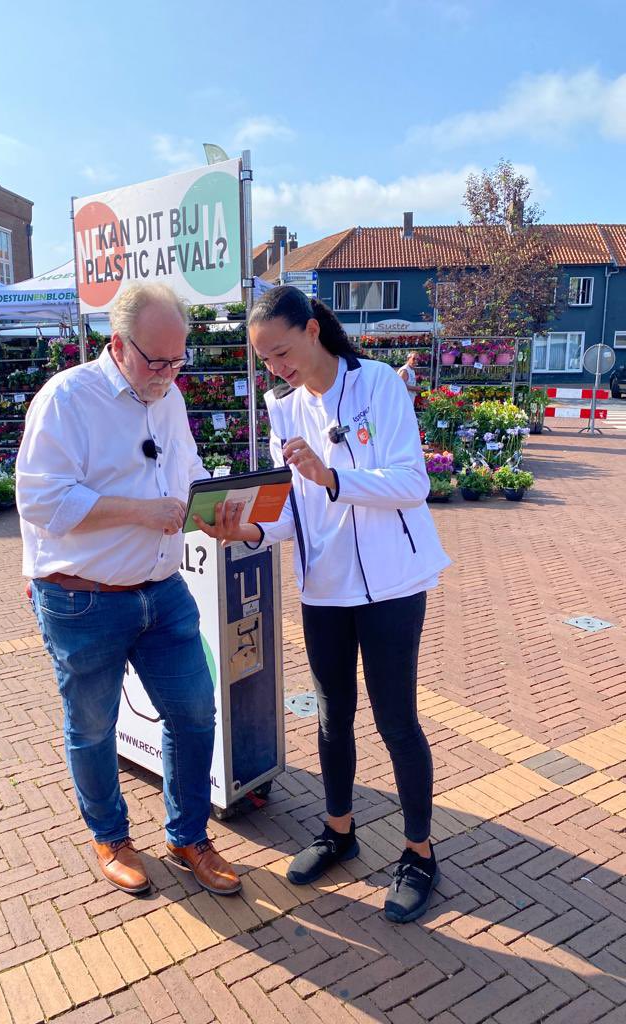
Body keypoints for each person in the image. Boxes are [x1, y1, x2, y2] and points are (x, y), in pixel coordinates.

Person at [195, 286, 450, 923]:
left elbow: (411, 482)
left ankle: (418, 852)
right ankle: (339, 831)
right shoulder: (283, 409)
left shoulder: (380, 384)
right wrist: (248, 531)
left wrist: (333, 477)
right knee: (334, 717)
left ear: (312, 330)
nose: (274, 368)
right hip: (324, 588)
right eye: (264, 360)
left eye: (281, 351)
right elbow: (292, 514)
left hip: (392, 586)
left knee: (396, 721)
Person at [15, 283, 241, 898]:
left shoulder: (167, 398)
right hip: (80, 597)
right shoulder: (67, 399)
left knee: (195, 713)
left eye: (178, 361)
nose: (168, 375)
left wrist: (217, 511)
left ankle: (187, 833)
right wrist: (140, 512)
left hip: (162, 590)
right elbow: (41, 500)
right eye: (155, 361)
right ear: (117, 345)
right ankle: (111, 836)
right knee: (92, 726)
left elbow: (186, 475)